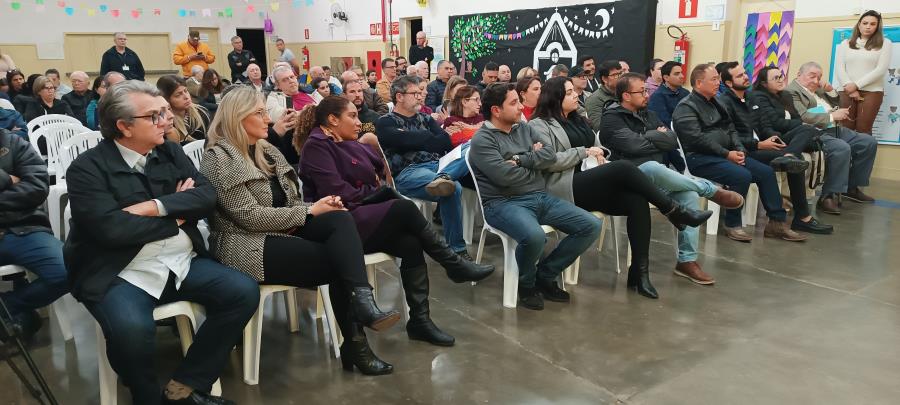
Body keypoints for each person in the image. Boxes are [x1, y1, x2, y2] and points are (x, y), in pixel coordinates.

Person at [64, 80, 258, 405]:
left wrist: (154, 207)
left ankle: (188, 385)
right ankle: (146, 397)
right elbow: (110, 230)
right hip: (122, 271)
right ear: (124, 126)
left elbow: (206, 196)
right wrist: (176, 215)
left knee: (242, 292)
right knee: (131, 332)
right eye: (153, 116)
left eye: (163, 113)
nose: (165, 121)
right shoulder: (87, 169)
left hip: (181, 262)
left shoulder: (168, 150)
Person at [200, 87, 400, 376]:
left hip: (282, 229)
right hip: (246, 245)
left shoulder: (264, 150)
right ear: (237, 117)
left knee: (340, 218)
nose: (268, 119)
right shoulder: (219, 159)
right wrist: (308, 211)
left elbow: (292, 196)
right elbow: (248, 217)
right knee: (338, 261)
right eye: (260, 112)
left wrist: (318, 206)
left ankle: (362, 303)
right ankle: (357, 342)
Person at [295, 94, 493, 345]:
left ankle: (420, 321)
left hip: (361, 215)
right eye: (352, 116)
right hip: (339, 224)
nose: (360, 123)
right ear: (332, 120)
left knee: (410, 244)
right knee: (404, 208)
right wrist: (372, 190)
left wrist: (362, 154)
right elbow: (341, 194)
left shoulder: (347, 141)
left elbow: (377, 170)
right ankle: (453, 263)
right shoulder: (317, 145)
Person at [529, 77, 713, 298]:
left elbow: (600, 146)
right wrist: (584, 153)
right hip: (562, 185)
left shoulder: (579, 119)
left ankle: (639, 274)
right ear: (555, 98)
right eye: (568, 93)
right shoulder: (538, 124)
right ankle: (675, 210)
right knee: (624, 168)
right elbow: (548, 161)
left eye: (573, 91)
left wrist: (600, 153)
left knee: (636, 201)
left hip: (588, 180)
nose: (576, 94)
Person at [601, 73, 745, 284]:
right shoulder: (612, 118)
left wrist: (652, 137)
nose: (647, 94)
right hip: (626, 180)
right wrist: (655, 136)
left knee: (687, 195)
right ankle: (708, 189)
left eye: (646, 90)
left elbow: (671, 140)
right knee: (650, 166)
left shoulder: (648, 114)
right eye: (641, 91)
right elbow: (633, 146)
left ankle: (686, 261)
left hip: (659, 177)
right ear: (626, 96)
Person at [469, 82, 602, 310]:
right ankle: (526, 284)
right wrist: (533, 158)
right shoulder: (483, 140)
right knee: (534, 237)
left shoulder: (523, 127)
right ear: (496, 110)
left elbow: (549, 155)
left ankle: (545, 274)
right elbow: (505, 177)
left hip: (539, 196)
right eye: (514, 103)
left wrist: (521, 159)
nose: (521, 107)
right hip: (502, 203)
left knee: (590, 225)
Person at [673, 64, 806, 243]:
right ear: (698, 83)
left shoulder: (717, 102)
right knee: (741, 175)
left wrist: (739, 150)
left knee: (766, 172)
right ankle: (732, 224)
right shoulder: (686, 107)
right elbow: (697, 140)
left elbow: (731, 129)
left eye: (718, 79)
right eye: (713, 80)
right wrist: (727, 154)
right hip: (700, 158)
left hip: (725, 154)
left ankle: (777, 222)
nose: (717, 83)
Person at [375, 75, 474, 259]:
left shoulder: (426, 118)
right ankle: (457, 251)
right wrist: (427, 138)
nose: (421, 96)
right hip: (409, 172)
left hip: (438, 165)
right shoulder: (385, 122)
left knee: (470, 146)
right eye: (415, 93)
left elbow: (444, 142)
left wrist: (414, 138)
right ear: (399, 96)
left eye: (421, 93)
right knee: (453, 188)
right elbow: (411, 140)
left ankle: (444, 177)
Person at [730, 65, 834, 234]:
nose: (746, 77)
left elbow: (764, 125)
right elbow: (731, 136)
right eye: (740, 75)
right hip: (749, 149)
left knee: (796, 157)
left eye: (781, 76)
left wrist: (774, 139)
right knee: (801, 142)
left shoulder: (751, 98)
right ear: (728, 83)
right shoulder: (731, 102)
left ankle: (801, 217)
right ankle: (798, 217)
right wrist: (759, 144)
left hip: (768, 142)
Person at [0, 128, 69, 342]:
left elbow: (37, 187)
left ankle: (7, 308)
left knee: (68, 269)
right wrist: (8, 179)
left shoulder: (13, 143)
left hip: (22, 228)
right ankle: (20, 318)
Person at [782, 61, 878, 211]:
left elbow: (835, 101)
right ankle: (828, 195)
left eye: (819, 77)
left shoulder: (817, 89)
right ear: (799, 74)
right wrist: (832, 116)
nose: (816, 81)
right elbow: (803, 116)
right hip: (814, 131)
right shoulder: (791, 92)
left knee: (868, 142)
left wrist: (831, 90)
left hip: (834, 128)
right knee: (841, 148)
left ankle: (851, 188)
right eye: (812, 76)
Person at [834, 10, 892, 135]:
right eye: (865, 23)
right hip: (846, 90)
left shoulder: (885, 43)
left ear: (877, 26)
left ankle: (862, 155)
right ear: (859, 24)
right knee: (845, 130)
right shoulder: (845, 44)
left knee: (863, 130)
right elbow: (839, 68)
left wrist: (856, 85)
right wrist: (850, 87)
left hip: (872, 92)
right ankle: (845, 155)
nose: (868, 26)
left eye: (872, 24)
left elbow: (880, 70)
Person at [156, 75, 210, 145]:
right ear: (167, 100)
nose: (186, 97)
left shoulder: (201, 112)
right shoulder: (165, 121)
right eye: (178, 95)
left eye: (186, 91)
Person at [647, 61, 689, 128]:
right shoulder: (657, 97)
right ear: (666, 78)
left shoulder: (686, 93)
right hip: (671, 133)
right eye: (677, 74)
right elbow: (664, 122)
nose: (682, 76)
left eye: (681, 73)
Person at [584, 59, 622, 131]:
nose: (619, 77)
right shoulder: (594, 100)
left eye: (620, 73)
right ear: (604, 79)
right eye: (615, 75)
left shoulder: (625, 94)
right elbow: (598, 127)